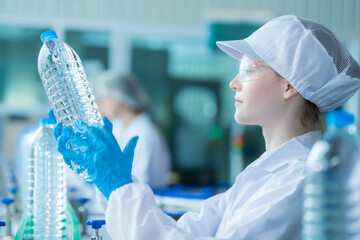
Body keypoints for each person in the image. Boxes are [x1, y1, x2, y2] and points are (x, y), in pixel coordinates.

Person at [52, 15, 360, 239]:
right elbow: (185, 232)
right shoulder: (265, 173)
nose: (233, 83)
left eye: (249, 70)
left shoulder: (298, 179)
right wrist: (112, 185)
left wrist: (119, 186)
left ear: (290, 86)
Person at [90, 71, 171, 189]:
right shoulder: (119, 127)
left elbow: (140, 183)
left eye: (103, 99)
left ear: (117, 95)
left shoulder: (144, 133)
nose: (99, 106)